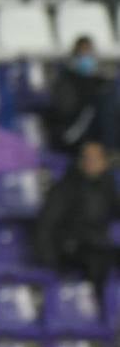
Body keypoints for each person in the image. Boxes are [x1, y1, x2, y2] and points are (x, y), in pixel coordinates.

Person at [35, 141, 119, 293]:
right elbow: (45, 225)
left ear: (104, 163)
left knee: (103, 255)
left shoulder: (107, 184)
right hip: (71, 247)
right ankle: (98, 310)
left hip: (98, 244)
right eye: (86, 158)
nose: (90, 163)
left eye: (95, 159)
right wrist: (50, 260)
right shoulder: (65, 187)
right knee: (97, 263)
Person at [47, 37, 119, 155]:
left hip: (97, 130)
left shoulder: (100, 81)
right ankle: (109, 150)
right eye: (82, 54)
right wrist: (90, 100)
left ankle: (110, 149)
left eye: (89, 54)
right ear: (75, 56)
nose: (87, 58)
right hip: (75, 131)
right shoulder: (66, 80)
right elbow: (65, 111)